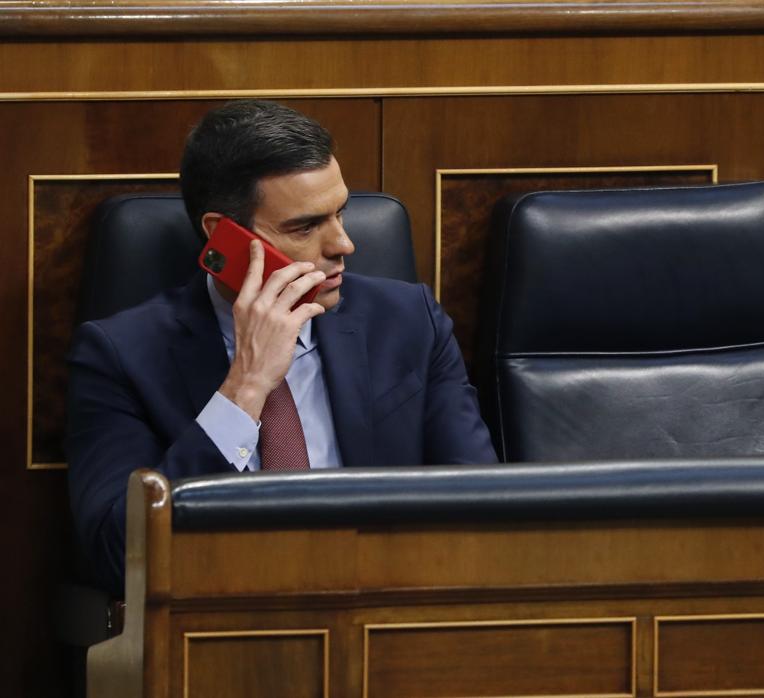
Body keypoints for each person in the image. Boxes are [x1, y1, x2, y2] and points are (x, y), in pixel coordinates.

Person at [66, 100, 497, 595]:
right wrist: (245, 387)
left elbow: (481, 510)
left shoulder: (408, 322)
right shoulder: (119, 356)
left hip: (387, 615)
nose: (343, 245)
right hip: (219, 631)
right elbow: (118, 555)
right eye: (306, 227)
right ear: (222, 237)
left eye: (341, 214)